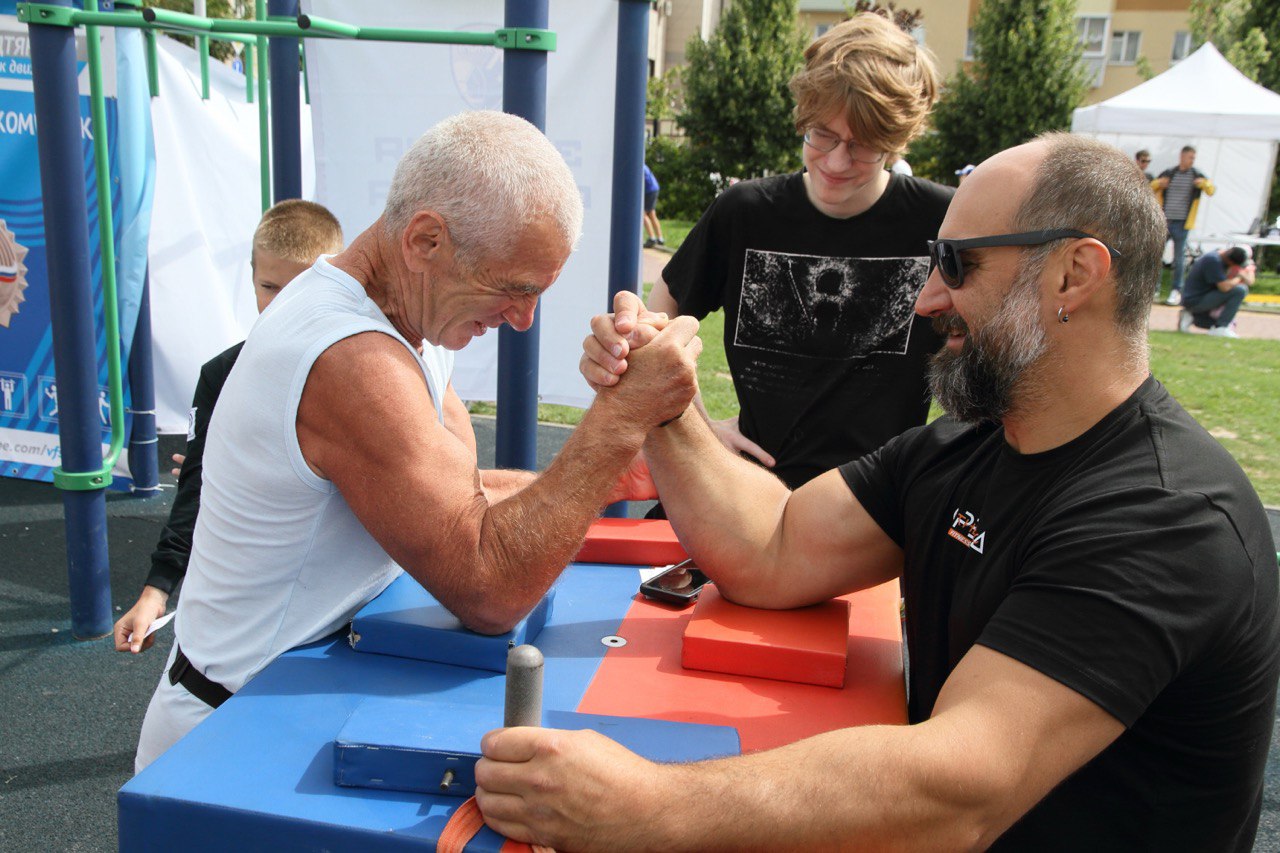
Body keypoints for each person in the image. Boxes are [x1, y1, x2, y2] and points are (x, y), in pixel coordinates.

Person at [484, 133, 1279, 851]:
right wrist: (663, 401)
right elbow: (772, 547)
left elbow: (958, 790)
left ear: (1075, 274)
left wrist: (647, 805)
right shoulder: (968, 446)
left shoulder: (1164, 519)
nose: (927, 298)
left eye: (958, 264)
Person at [132, 111, 701, 772]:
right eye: (514, 289)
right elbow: (489, 587)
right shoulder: (350, 358)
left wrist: (610, 470)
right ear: (425, 240)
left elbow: (454, 497)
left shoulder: (403, 317)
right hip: (229, 738)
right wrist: (617, 424)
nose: (523, 319)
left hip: (284, 700)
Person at [627, 14, 951, 490]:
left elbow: (994, 356)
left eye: (863, 146)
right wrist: (700, 429)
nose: (836, 160)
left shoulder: (941, 221)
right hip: (751, 492)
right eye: (822, 134)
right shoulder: (745, 211)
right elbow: (660, 316)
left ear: (895, 141)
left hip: (877, 505)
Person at [113, 200, 344, 655]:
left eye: (298, 288)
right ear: (252, 275)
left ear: (332, 280)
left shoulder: (372, 370)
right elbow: (196, 485)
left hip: (344, 589)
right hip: (261, 593)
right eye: (268, 286)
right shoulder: (221, 374)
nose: (280, 304)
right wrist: (156, 590)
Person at [1153, 145, 1215, 305]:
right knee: (1156, 255)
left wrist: (1203, 184)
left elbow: (1211, 190)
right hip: (1164, 220)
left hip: (1182, 222)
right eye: (1190, 157)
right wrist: (1160, 183)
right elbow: (1149, 186)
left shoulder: (1196, 175)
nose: (1192, 160)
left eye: (1194, 158)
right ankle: (1154, 288)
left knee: (1179, 258)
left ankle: (1176, 290)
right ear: (1182, 156)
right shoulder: (1170, 173)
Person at [1178, 245, 1256, 338]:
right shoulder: (1213, 261)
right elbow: (1224, 288)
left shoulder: (1216, 257)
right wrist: (1239, 277)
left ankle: (1191, 316)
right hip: (1195, 301)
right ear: (1230, 261)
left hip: (1199, 298)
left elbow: (1250, 281)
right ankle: (1220, 327)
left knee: (1214, 322)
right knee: (1240, 290)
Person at [641, 163, 664, 248]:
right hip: (654, 188)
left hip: (649, 191)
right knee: (652, 214)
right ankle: (660, 238)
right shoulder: (643, 165)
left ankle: (652, 238)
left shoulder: (638, 166)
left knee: (643, 214)